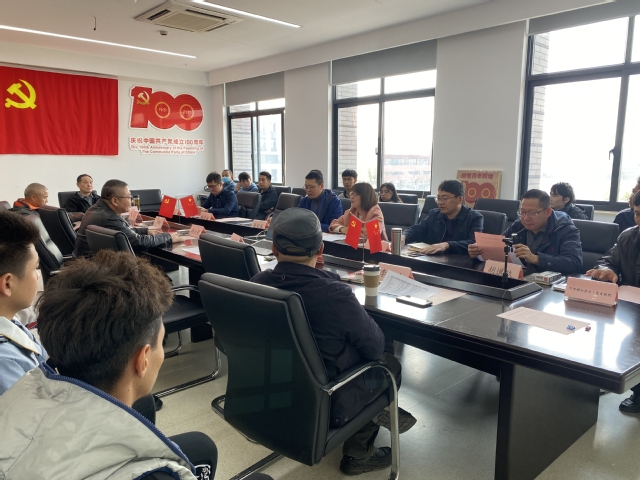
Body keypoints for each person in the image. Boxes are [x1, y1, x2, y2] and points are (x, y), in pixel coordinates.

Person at [0, 250, 245, 480]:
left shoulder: (20, 389)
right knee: (203, 446)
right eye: (160, 343)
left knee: (149, 407)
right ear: (143, 360)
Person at [251, 209, 415, 476]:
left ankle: (375, 411)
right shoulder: (334, 294)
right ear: (321, 250)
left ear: (273, 249)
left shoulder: (256, 284)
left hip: (271, 391)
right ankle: (359, 454)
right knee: (388, 366)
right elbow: (375, 347)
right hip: (326, 398)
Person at [587, 193, 640, 413]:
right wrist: (607, 270)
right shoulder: (629, 236)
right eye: (638, 214)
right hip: (633, 307)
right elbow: (607, 260)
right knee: (627, 355)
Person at [468, 189, 583, 274]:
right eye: (522, 212)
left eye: (532, 213)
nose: (526, 218)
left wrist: (535, 258)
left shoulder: (565, 229)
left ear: (548, 212)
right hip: (521, 279)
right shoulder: (519, 225)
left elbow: (574, 262)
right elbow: (500, 247)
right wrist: (479, 252)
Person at [0, 211, 47, 395]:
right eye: (35, 268)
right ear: (7, 283)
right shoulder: (6, 363)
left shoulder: (10, 319)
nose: (37, 276)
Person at [75, 179, 183, 257]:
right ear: (115, 201)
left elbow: (121, 232)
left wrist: (145, 230)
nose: (131, 200)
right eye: (129, 197)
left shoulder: (96, 209)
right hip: (103, 269)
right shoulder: (109, 218)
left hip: (91, 262)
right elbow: (139, 242)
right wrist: (168, 236)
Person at [402, 179, 483, 255]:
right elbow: (417, 229)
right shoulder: (434, 214)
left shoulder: (475, 217)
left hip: (460, 261)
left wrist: (447, 245)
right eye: (438, 198)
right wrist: (403, 237)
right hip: (434, 260)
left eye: (444, 198)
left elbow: (473, 243)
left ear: (459, 199)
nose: (440, 203)